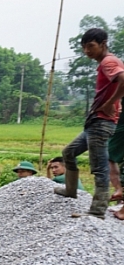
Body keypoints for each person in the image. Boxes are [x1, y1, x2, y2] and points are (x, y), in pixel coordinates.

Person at [55, 27, 124, 219]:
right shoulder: (106, 63)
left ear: (103, 44)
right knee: (69, 152)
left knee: (99, 166)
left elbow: (123, 80)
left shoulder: (109, 62)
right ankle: (70, 190)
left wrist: (110, 104)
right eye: (84, 47)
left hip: (102, 123)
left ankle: (97, 210)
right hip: (95, 122)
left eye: (91, 46)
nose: (87, 51)